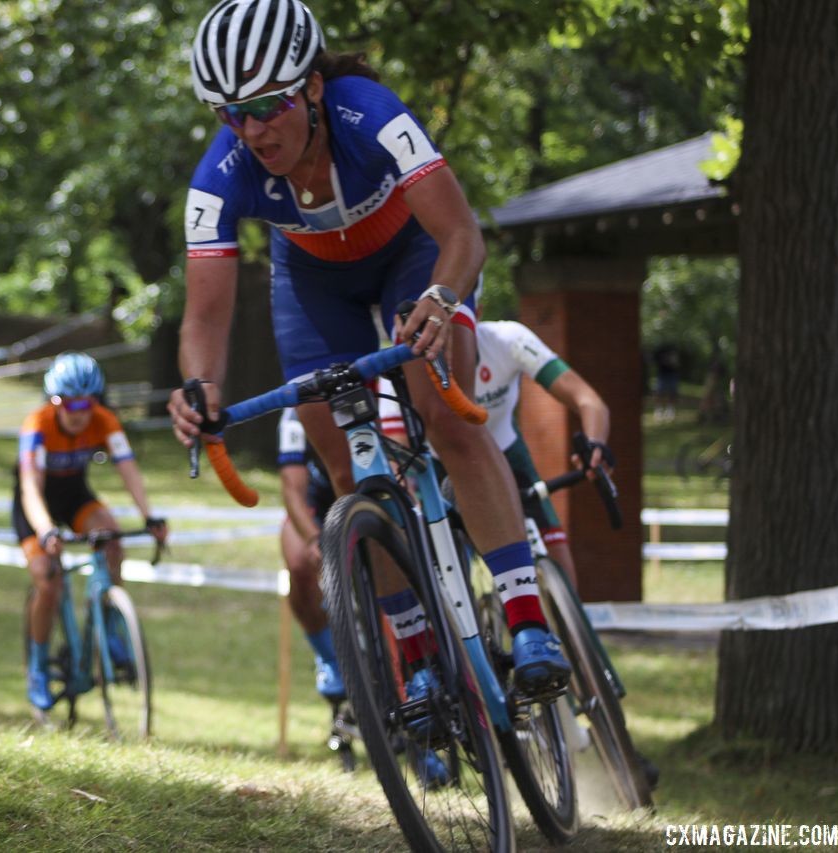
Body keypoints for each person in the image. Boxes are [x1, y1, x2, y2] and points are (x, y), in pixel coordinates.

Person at [168, 0, 569, 708]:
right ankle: (415, 653)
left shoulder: (370, 114)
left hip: (415, 255)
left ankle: (526, 614)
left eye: (267, 104)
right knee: (353, 465)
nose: (253, 128)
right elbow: (205, 313)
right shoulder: (219, 176)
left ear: (313, 87)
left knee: (446, 414)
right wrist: (198, 388)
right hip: (315, 282)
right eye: (233, 113)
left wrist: (442, 301)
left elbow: (462, 237)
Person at [16, 352, 168, 712]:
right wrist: (45, 530)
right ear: (53, 400)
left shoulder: (104, 421)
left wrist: (150, 516)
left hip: (75, 496)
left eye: (86, 402)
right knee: (48, 581)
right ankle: (37, 668)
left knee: (112, 540)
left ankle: (112, 625)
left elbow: (128, 469)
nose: (78, 411)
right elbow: (30, 488)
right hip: (36, 505)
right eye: (67, 403)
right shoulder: (36, 425)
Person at [471, 320, 611, 587]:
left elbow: (588, 399)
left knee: (558, 557)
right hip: (442, 460)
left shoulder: (507, 339)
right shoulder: (412, 357)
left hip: (506, 453)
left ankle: (569, 623)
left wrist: (595, 444)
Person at [276, 407, 342, 700]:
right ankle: (330, 659)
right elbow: (292, 488)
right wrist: (313, 538)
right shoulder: (295, 413)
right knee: (300, 564)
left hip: (363, 489)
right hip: (316, 500)